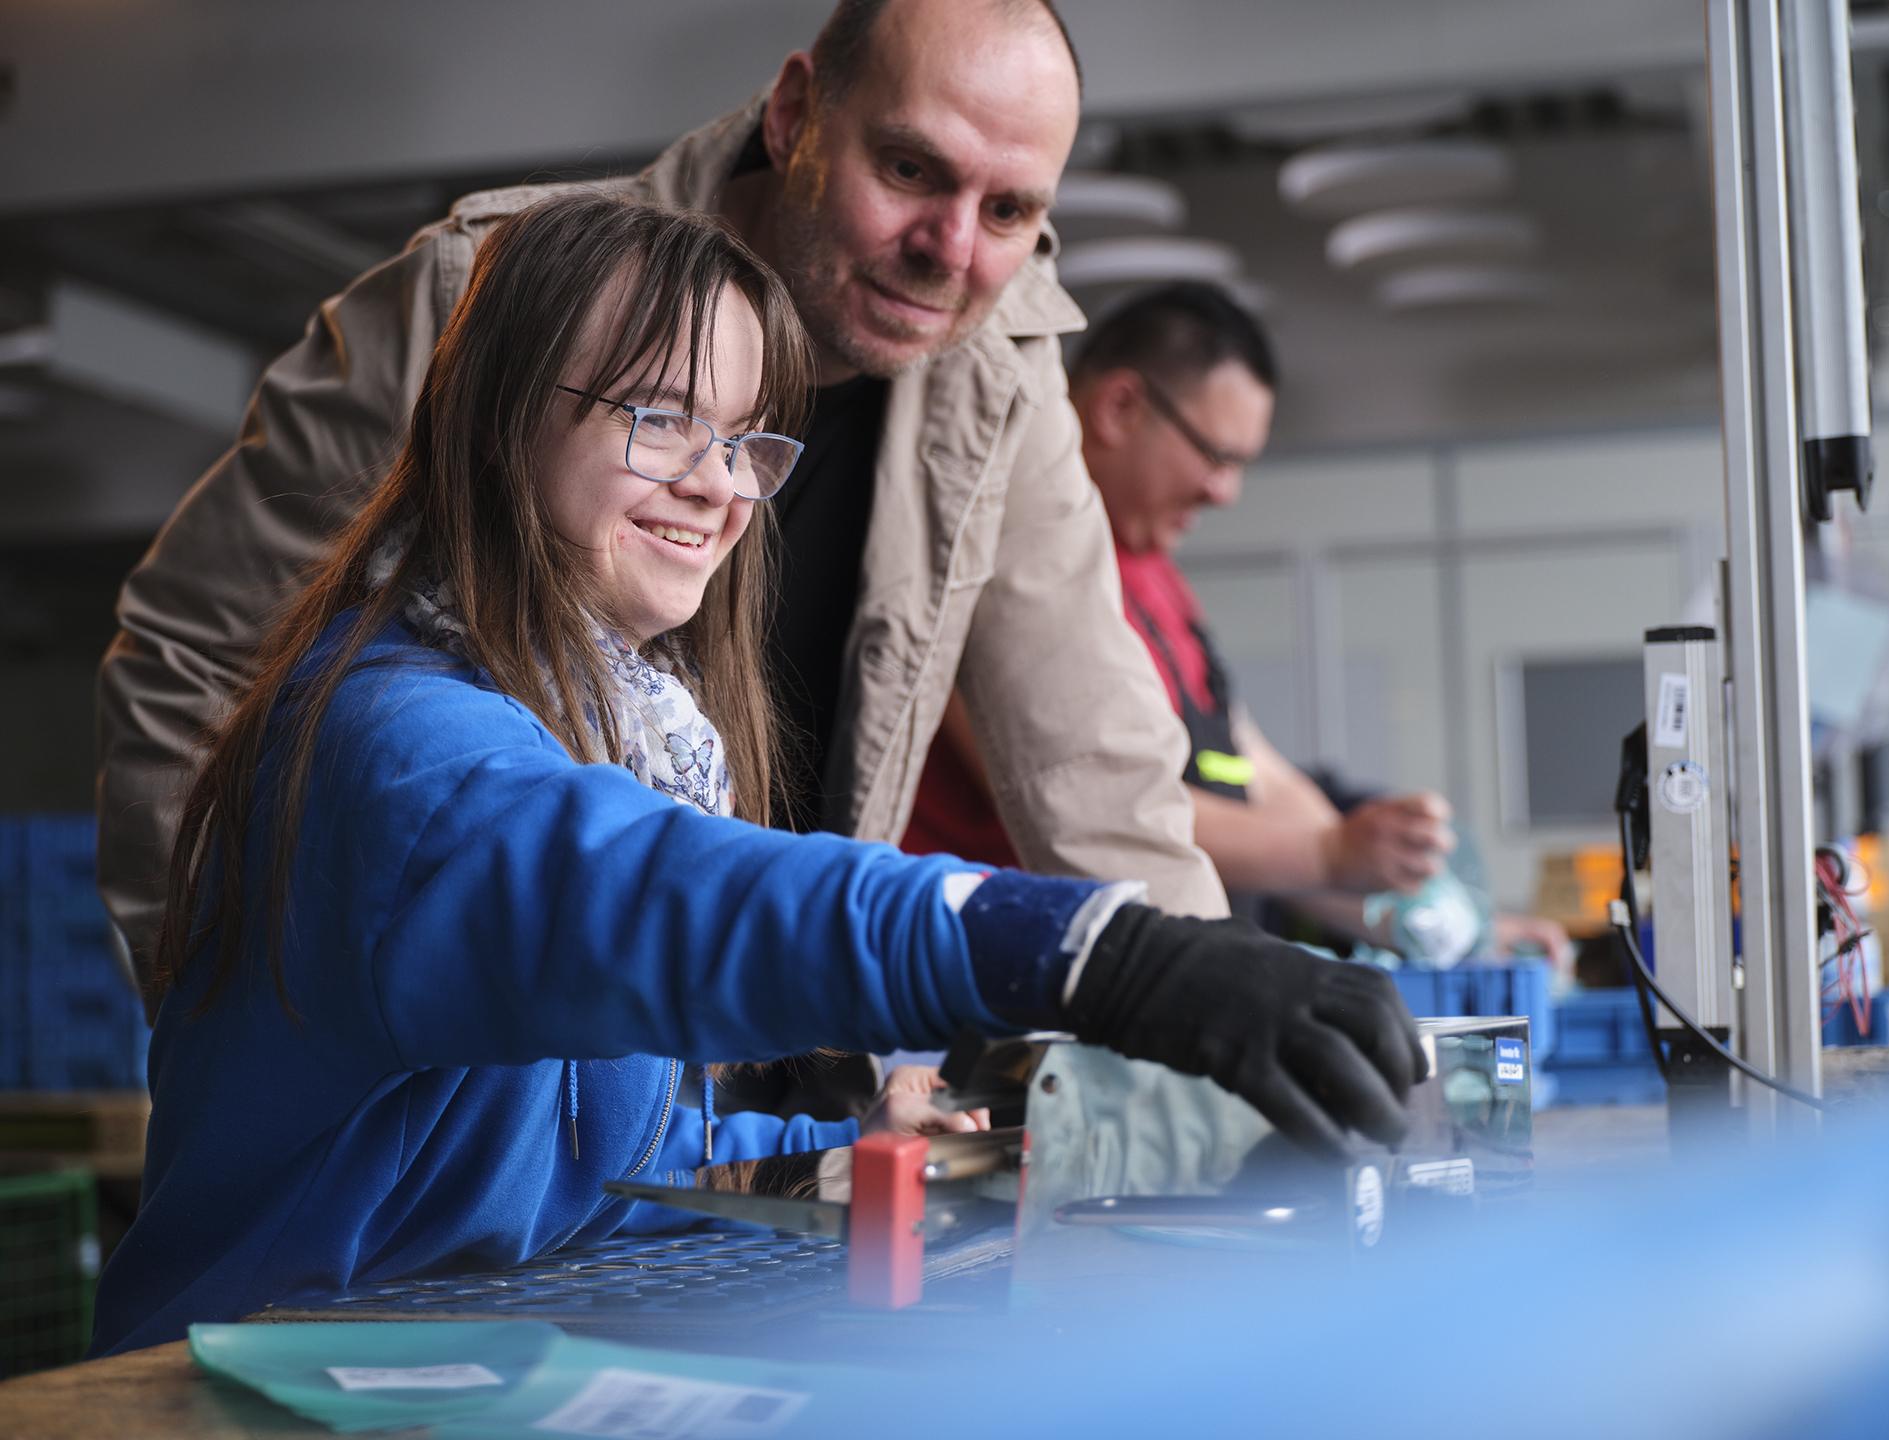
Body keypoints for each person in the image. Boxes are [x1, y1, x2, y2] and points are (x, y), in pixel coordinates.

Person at [89, 196, 1426, 1357]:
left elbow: (610, 1176)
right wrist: (1098, 956)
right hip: (235, 1395)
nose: (720, 487)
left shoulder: (618, 725)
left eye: (743, 440)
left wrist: (866, 1160)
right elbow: (677, 899)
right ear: (497, 423)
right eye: (661, 419)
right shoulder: (401, 756)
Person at [95, 0, 1228, 1048]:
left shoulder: (995, 372)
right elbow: (199, 659)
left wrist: (1221, 1022)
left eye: (1010, 210)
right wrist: (227, 1025)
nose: (952, 247)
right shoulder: (485, 295)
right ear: (796, 118)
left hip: (742, 1092)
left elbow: (1096, 765)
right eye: (908, 167)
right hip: (476, 1081)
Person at [905, 282, 1571, 966]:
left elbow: (1266, 779)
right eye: (1215, 455)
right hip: (968, 979)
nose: (1225, 492)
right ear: (1120, 407)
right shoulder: (992, 551)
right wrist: (1328, 852)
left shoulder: (1154, 576)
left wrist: (1424, 916)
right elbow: (1079, 799)